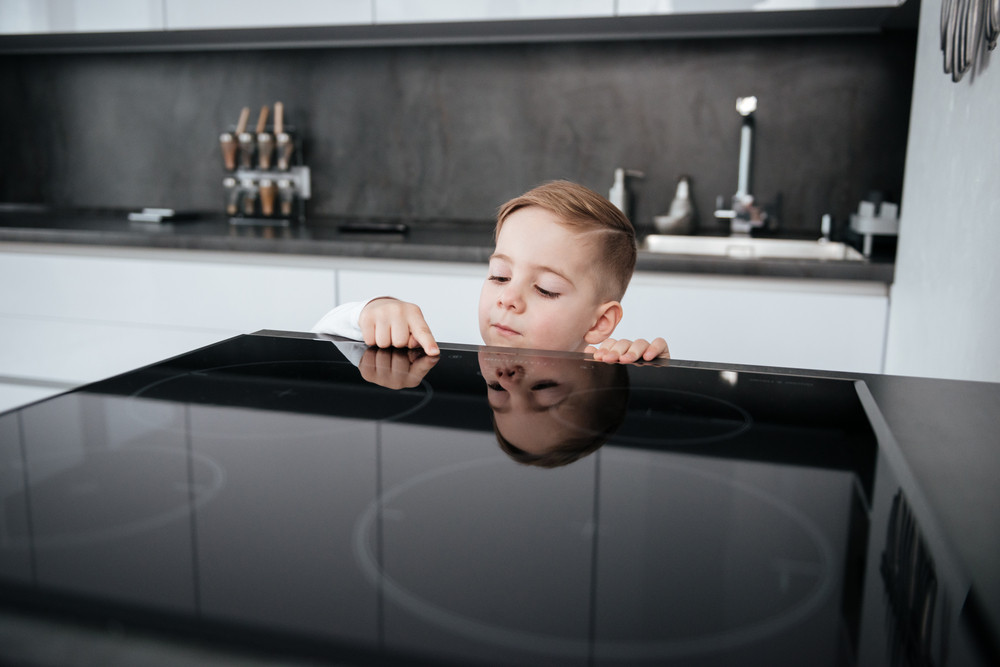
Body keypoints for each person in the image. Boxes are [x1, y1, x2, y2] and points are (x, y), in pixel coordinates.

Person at [311, 180, 669, 363]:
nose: (508, 298)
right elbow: (321, 334)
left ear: (599, 324)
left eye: (544, 289)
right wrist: (372, 311)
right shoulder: (438, 369)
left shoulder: (603, 382)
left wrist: (643, 377)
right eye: (500, 276)